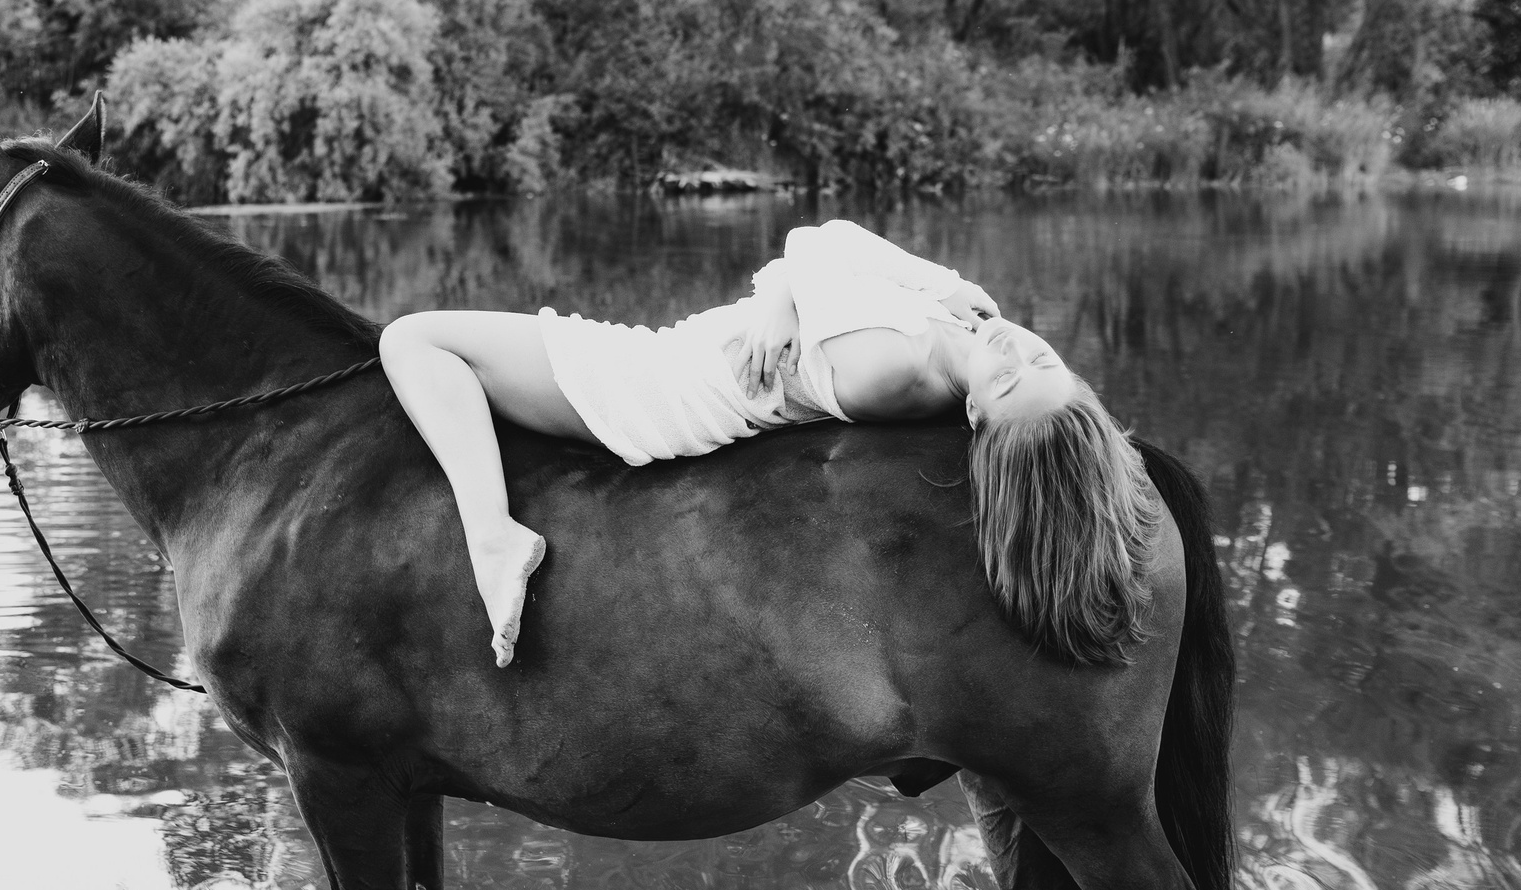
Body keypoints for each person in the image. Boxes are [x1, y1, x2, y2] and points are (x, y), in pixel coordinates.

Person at [378, 219, 1162, 669]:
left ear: (979, 422)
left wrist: (787, 292)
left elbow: (811, 245)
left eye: (1008, 382)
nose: (1014, 352)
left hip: (656, 384)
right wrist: (940, 284)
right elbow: (837, 240)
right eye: (1041, 358)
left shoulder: (895, 371)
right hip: (677, 357)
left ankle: (491, 535)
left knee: (415, 340)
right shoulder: (966, 320)